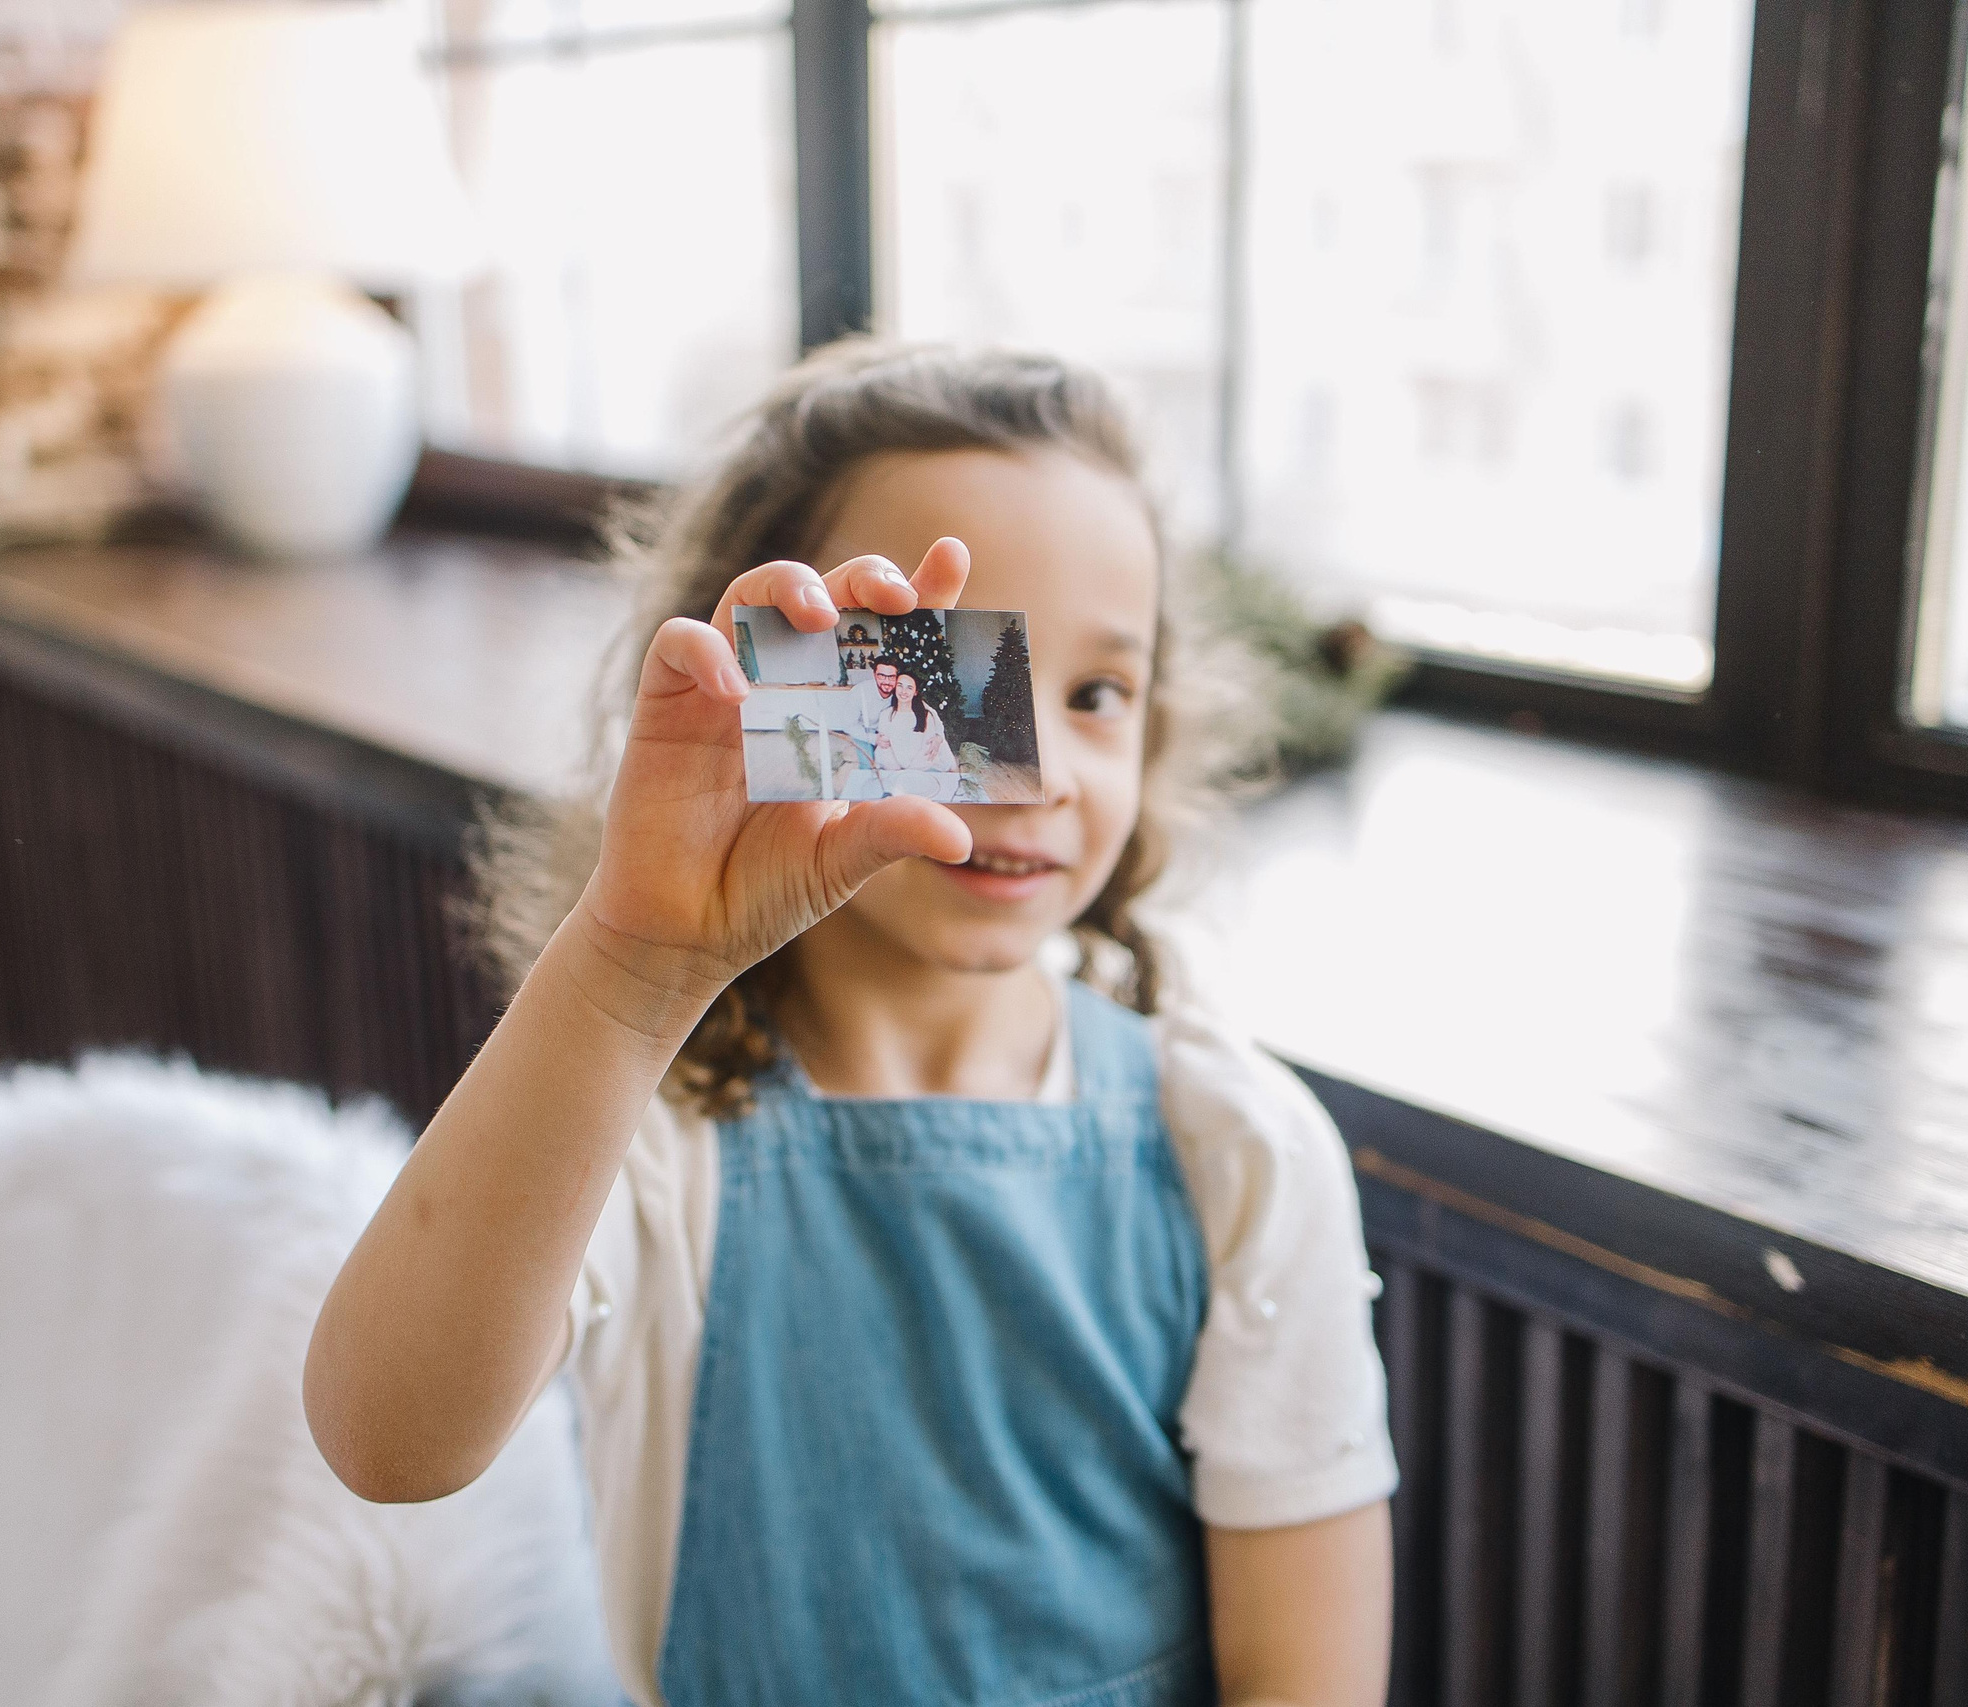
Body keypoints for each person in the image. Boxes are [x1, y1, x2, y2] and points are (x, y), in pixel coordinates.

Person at [305, 342, 1397, 1707]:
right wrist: (631, 969)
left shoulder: (1230, 1144)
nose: (1042, 770)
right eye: (947, 678)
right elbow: (384, 1436)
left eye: (1099, 692)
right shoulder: (652, 1139)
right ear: (766, 698)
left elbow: (1307, 1673)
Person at [873, 668, 962, 801]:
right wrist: (898, 771)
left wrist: (910, 771)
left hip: (922, 770)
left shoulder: (925, 715)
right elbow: (885, 747)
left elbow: (928, 749)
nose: (904, 691)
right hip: (896, 771)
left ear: (915, 692)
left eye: (909, 688)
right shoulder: (886, 715)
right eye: (900, 686)